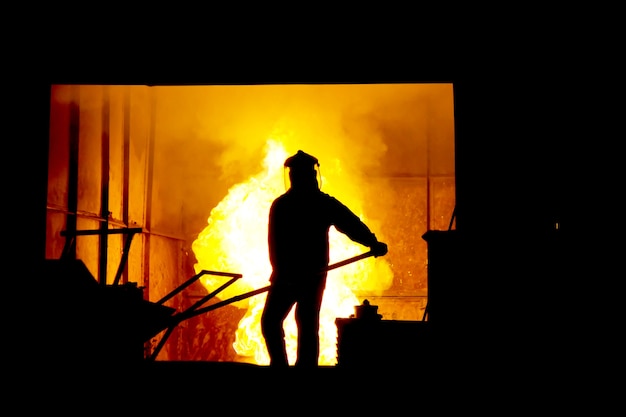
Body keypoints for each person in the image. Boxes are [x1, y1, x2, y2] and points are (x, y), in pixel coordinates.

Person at [260, 150, 388, 368]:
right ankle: (284, 366)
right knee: (278, 322)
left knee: (301, 323)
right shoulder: (291, 205)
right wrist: (281, 272)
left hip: (309, 275)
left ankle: (299, 369)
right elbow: (275, 243)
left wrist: (371, 242)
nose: (298, 177)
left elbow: (350, 224)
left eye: (301, 173)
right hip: (292, 276)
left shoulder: (302, 204)